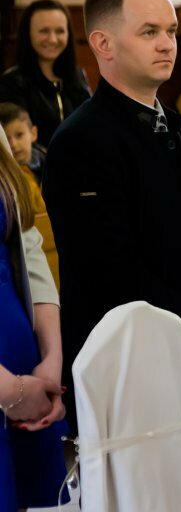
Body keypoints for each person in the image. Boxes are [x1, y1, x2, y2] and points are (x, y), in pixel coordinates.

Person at [42, 0, 181, 428]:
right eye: (149, 32)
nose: (167, 45)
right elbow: (110, 269)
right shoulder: (81, 141)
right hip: (131, 361)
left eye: (171, 31)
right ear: (103, 43)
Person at [0, 129, 67, 510]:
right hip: (9, 382)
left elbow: (28, 248)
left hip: (24, 357)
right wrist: (8, 390)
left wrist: (51, 358)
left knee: (40, 496)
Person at [0, 0, 91, 145]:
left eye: (60, 31)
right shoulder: (12, 83)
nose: (53, 39)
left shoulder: (77, 76)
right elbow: (18, 145)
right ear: (28, 34)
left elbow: (91, 126)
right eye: (44, 31)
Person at [0, 104, 46, 215]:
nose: (13, 144)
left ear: (33, 133)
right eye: (5, 139)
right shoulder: (5, 180)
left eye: (19, 135)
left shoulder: (48, 161)